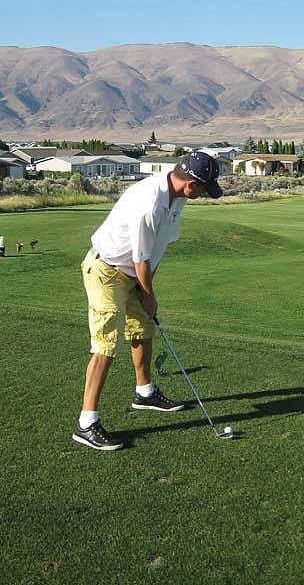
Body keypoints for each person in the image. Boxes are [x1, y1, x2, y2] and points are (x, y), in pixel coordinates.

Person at [72, 151, 223, 451]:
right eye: (205, 188)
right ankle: (86, 423)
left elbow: (156, 251)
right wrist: (150, 295)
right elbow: (139, 257)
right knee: (106, 344)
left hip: (134, 274)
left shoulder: (177, 198)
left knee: (143, 329)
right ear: (191, 184)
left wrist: (144, 290)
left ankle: (145, 392)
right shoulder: (149, 204)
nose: (206, 194)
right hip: (107, 271)